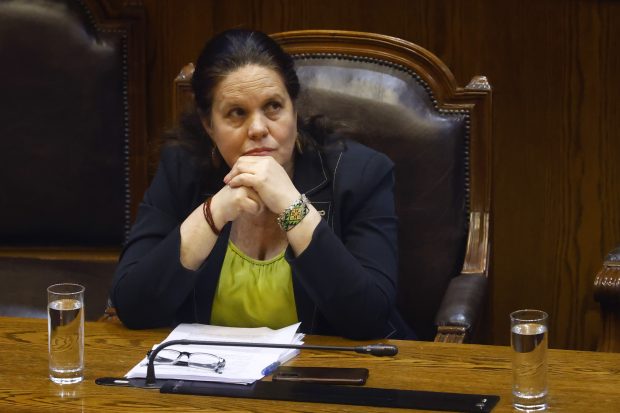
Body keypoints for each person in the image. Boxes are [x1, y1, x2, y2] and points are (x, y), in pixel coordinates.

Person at [111, 29, 414, 340]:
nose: (257, 129)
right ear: (208, 125)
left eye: (272, 107)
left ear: (294, 109)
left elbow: (369, 317)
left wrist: (291, 206)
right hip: (208, 380)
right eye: (236, 113)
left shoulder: (360, 174)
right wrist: (213, 213)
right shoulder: (183, 169)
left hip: (327, 376)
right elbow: (133, 306)